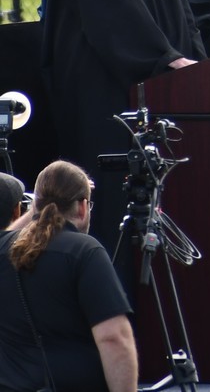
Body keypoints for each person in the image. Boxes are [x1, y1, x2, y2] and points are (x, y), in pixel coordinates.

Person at [41, 0, 206, 273]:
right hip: (103, 92)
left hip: (149, 87)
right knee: (112, 205)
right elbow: (113, 12)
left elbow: (174, 9)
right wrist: (165, 58)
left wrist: (193, 59)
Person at [0, 160, 137, 391]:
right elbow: (114, 338)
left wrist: (38, 208)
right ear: (83, 207)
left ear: (35, 205)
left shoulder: (4, 250)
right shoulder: (85, 251)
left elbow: (8, 235)